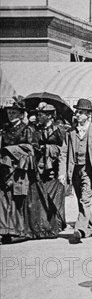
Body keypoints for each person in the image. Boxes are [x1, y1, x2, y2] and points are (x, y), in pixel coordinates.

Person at [59, 98, 92, 243]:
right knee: (80, 199)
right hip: (74, 170)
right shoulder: (70, 132)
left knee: (85, 199)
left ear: (88, 114)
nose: (77, 115)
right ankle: (89, 228)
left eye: (81, 112)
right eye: (77, 112)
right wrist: (62, 173)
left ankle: (80, 228)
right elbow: (63, 153)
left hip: (89, 171)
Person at [0, 98, 38, 243]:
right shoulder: (5, 129)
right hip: (4, 169)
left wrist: (12, 151)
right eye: (9, 112)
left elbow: (32, 149)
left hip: (20, 170)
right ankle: (5, 230)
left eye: (14, 112)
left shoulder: (27, 129)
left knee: (18, 199)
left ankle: (19, 230)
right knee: (3, 198)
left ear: (21, 114)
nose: (11, 115)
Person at [31, 103, 67, 238]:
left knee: (56, 196)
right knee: (42, 196)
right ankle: (44, 225)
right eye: (38, 115)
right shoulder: (37, 130)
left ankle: (57, 224)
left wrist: (62, 172)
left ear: (50, 116)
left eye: (41, 115)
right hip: (40, 167)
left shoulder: (59, 130)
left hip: (55, 167)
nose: (38, 117)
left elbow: (64, 150)